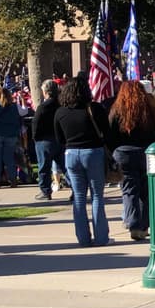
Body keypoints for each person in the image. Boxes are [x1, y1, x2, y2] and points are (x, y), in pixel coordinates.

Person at [106, 80, 155, 241]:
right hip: (148, 153)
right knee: (147, 192)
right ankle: (144, 225)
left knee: (129, 191)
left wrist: (114, 152)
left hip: (123, 154)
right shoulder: (151, 110)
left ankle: (133, 224)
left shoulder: (117, 110)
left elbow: (110, 134)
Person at [53, 79, 110, 247]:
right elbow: (106, 132)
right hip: (93, 152)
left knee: (78, 197)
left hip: (71, 153)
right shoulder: (95, 109)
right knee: (97, 195)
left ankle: (83, 238)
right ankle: (101, 237)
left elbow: (59, 138)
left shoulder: (60, 112)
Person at [31, 80, 65, 200]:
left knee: (44, 167)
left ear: (45, 92)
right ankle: (75, 189)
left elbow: (35, 124)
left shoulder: (43, 107)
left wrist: (36, 138)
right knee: (65, 167)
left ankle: (45, 191)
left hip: (44, 140)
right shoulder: (61, 105)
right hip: (59, 140)